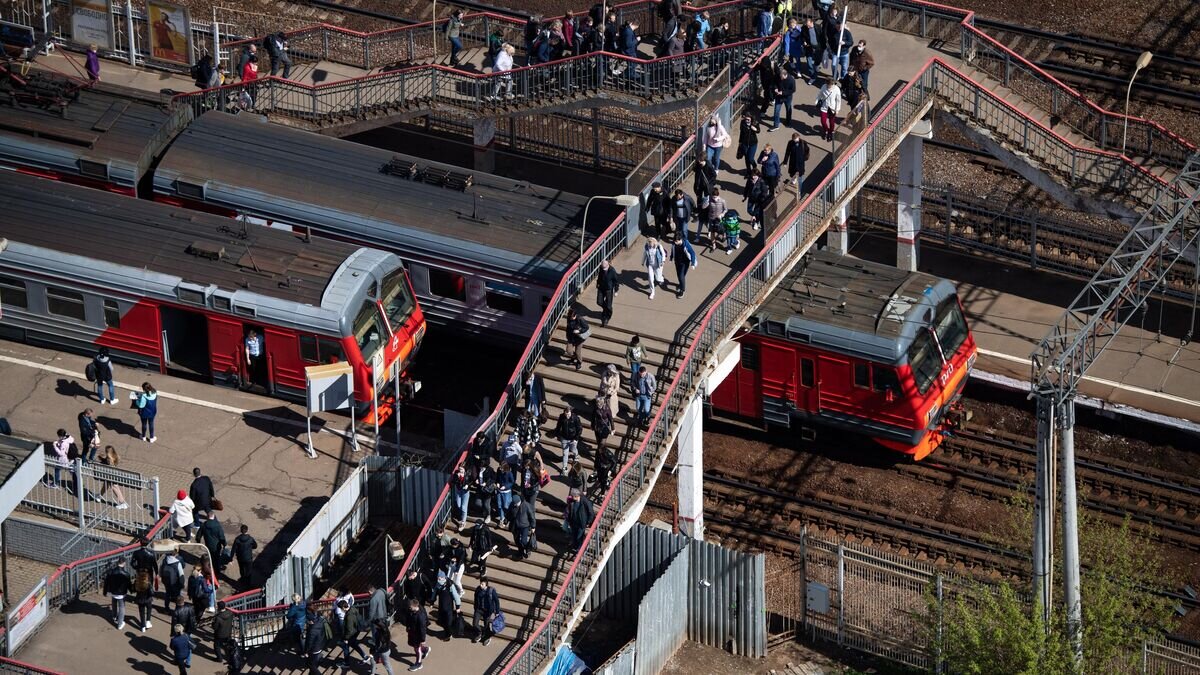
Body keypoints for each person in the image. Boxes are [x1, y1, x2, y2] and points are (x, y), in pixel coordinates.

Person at [131, 538, 157, 627]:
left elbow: (132, 563)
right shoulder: (151, 553)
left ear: (140, 543)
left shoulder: (136, 553)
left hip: (140, 573)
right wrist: (157, 573)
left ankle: (140, 598)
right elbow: (155, 565)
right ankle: (148, 620)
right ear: (148, 543)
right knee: (149, 588)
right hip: (149, 573)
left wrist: (138, 568)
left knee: (140, 587)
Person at [337, 599, 371, 666]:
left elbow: (350, 630)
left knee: (345, 646)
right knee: (353, 644)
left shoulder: (349, 616)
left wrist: (346, 638)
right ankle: (364, 656)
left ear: (343, 608)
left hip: (351, 634)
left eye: (341, 609)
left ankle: (346, 663)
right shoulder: (352, 608)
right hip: (356, 631)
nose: (341, 610)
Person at [103, 559, 131, 630]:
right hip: (122, 593)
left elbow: (106, 583)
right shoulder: (126, 574)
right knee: (121, 607)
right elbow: (129, 585)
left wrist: (105, 592)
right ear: (124, 563)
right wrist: (131, 591)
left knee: (114, 603)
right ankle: (120, 624)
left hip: (113, 592)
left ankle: (114, 616)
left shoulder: (111, 572)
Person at [471, 577, 500, 645]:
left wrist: (497, 611)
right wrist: (475, 607)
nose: (480, 585)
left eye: (482, 584)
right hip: (479, 610)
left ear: (486, 584)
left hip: (487, 611)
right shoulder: (478, 589)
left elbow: (496, 601)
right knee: (475, 623)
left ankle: (487, 637)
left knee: (486, 625)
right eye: (480, 583)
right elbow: (475, 598)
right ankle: (480, 633)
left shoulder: (491, 591)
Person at [405, 598, 430, 671]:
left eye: (410, 607)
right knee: (415, 646)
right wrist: (407, 627)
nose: (409, 608)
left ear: (415, 606)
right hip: (412, 632)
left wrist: (423, 640)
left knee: (417, 649)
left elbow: (423, 629)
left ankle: (419, 664)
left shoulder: (420, 616)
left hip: (418, 635)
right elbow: (408, 619)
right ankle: (425, 649)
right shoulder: (411, 611)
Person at [555, 406, 582, 473]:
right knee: (565, 453)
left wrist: (576, 438)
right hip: (564, 438)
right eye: (566, 414)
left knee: (573, 449)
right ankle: (564, 467)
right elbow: (558, 426)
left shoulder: (575, 418)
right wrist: (557, 435)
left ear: (571, 413)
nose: (567, 416)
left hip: (573, 438)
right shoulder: (562, 417)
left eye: (569, 414)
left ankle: (576, 455)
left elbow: (579, 429)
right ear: (564, 412)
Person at [670, 233, 697, 298]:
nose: (675, 242)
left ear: (680, 240)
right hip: (677, 261)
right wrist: (671, 257)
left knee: (681, 275)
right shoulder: (674, 244)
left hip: (685, 263)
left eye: (676, 241)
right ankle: (681, 284)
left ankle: (682, 290)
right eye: (674, 241)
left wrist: (693, 263)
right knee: (679, 275)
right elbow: (673, 250)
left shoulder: (686, 244)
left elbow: (692, 253)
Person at [509, 493, 535, 560]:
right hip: (515, 525)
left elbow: (532, 517)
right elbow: (509, 513)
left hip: (524, 526)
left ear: (520, 501)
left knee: (523, 541)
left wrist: (533, 526)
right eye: (514, 504)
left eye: (516, 504)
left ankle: (528, 549)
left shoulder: (526, 506)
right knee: (516, 540)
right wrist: (505, 521)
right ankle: (520, 552)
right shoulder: (512, 504)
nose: (515, 505)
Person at [817, 77, 843, 141]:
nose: (828, 87)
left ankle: (830, 133)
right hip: (824, 107)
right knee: (823, 121)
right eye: (827, 85)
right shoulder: (824, 86)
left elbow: (838, 100)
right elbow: (820, 94)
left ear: (833, 84)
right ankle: (826, 130)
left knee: (831, 122)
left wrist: (837, 109)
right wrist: (817, 101)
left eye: (830, 85)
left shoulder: (836, 89)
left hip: (832, 108)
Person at [595, 260, 620, 327]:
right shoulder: (601, 268)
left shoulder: (612, 271)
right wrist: (598, 283)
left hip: (608, 289)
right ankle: (606, 309)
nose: (604, 270)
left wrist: (616, 290)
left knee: (608, 305)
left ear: (608, 265)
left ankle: (607, 317)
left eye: (605, 268)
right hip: (601, 287)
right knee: (599, 302)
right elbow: (600, 276)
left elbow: (616, 281)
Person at [704, 187, 728, 252]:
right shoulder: (709, 200)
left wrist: (722, 215)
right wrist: (706, 201)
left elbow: (726, 210)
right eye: (713, 197)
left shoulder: (722, 201)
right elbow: (703, 207)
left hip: (719, 220)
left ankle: (724, 236)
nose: (714, 199)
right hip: (711, 219)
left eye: (715, 197)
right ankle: (714, 246)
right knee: (712, 232)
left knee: (721, 230)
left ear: (718, 195)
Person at [799, 18, 822, 84]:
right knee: (809, 64)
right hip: (809, 48)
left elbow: (822, 37)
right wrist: (804, 41)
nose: (808, 27)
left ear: (812, 22)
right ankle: (812, 77)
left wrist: (823, 47)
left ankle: (817, 65)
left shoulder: (818, 27)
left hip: (818, 48)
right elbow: (802, 36)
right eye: (807, 25)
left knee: (818, 59)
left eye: (809, 25)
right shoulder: (804, 28)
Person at [306, 610, 329, 674]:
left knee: (310, 665)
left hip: (314, 649)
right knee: (314, 663)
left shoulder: (312, 631)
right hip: (320, 646)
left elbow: (309, 643)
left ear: (311, 621)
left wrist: (306, 651)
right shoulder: (320, 622)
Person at [213, 600, 236, 665]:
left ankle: (219, 658)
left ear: (219, 608)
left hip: (219, 635)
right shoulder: (230, 613)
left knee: (216, 646)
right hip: (228, 633)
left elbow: (215, 627)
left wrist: (213, 623)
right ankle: (229, 658)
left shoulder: (218, 617)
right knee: (227, 646)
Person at [494, 462, 515, 528]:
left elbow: (512, 482)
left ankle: (507, 518)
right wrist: (497, 483)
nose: (500, 469)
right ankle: (502, 518)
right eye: (500, 467)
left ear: (505, 468)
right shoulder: (499, 470)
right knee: (499, 505)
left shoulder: (509, 473)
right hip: (499, 491)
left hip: (506, 492)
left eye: (502, 468)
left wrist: (505, 486)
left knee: (506, 505)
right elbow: (497, 478)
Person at [450, 464, 470, 530]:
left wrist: (468, 485)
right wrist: (457, 478)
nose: (460, 470)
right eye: (459, 469)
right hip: (459, 491)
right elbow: (453, 482)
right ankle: (462, 515)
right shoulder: (456, 474)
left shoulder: (468, 473)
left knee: (463, 507)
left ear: (464, 469)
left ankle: (463, 522)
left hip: (465, 492)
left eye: (461, 469)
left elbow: (471, 481)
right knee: (459, 505)